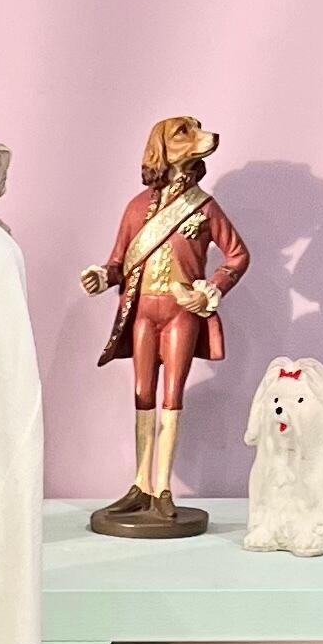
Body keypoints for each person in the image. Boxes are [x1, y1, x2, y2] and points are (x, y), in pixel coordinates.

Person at [82, 111, 250, 538]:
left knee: (172, 395)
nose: (198, 136)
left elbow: (237, 255)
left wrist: (209, 291)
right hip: (142, 312)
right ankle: (140, 484)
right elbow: (119, 262)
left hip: (180, 313)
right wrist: (102, 276)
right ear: (162, 147)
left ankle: (162, 488)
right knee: (143, 394)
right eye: (183, 133)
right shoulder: (137, 208)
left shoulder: (204, 207)